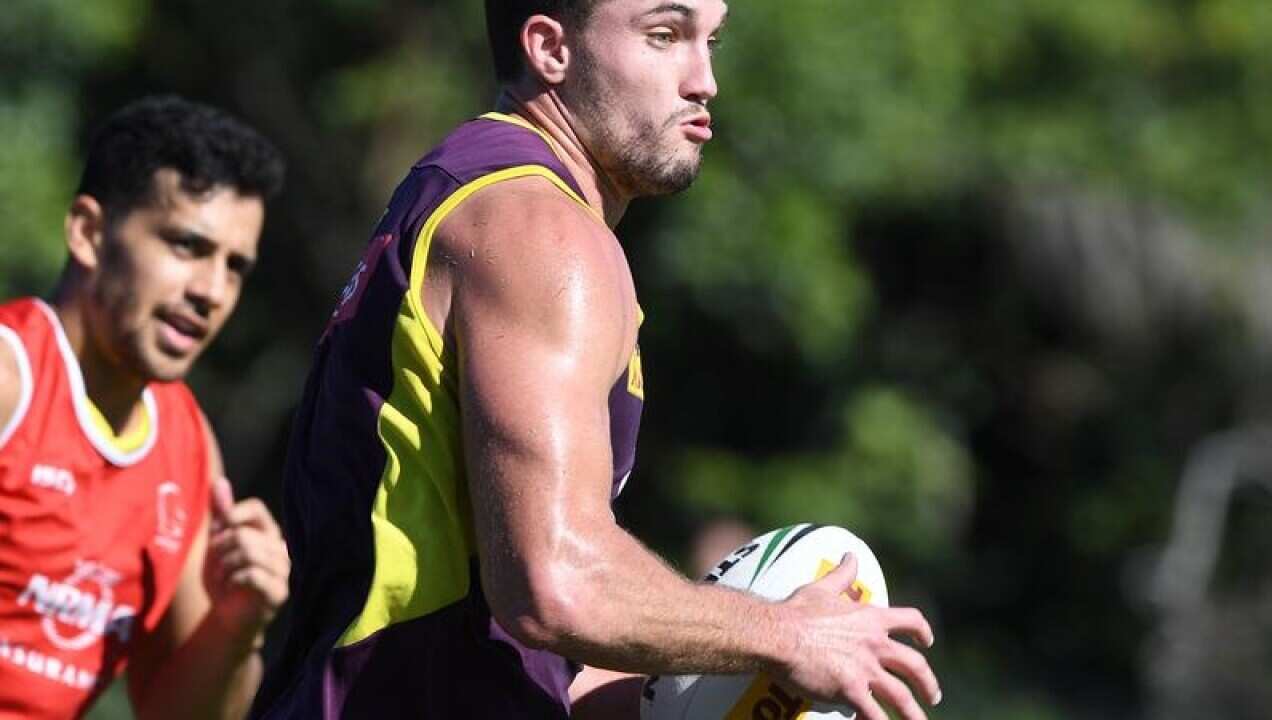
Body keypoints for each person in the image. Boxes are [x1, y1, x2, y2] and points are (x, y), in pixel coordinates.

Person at [254, 2, 941, 719]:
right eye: (664, 36)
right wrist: (788, 635)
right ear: (551, 49)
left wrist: (694, 696)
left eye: (713, 40)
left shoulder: (457, 189)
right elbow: (555, 584)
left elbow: (489, 636)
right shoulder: (540, 233)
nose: (703, 79)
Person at [0, 95, 292, 719]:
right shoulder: (10, 382)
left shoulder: (187, 446)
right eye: (187, 246)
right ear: (88, 231)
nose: (211, 292)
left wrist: (239, 624)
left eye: (235, 267)